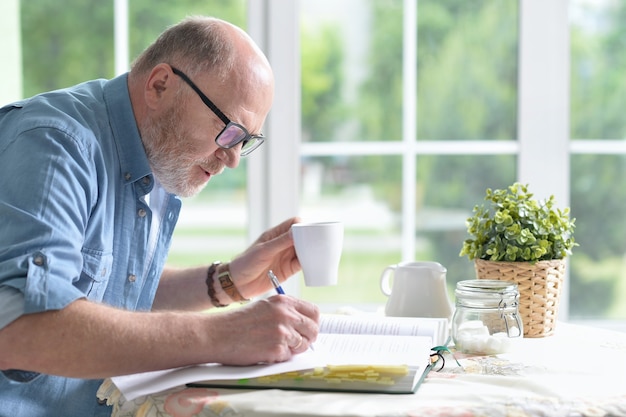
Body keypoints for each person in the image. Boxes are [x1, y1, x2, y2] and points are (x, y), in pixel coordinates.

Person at [0, 15, 320, 417]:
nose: (234, 158)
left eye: (246, 141)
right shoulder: (54, 145)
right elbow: (21, 329)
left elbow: (113, 294)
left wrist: (228, 281)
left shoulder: (154, 151)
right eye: (230, 130)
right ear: (160, 85)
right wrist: (223, 334)